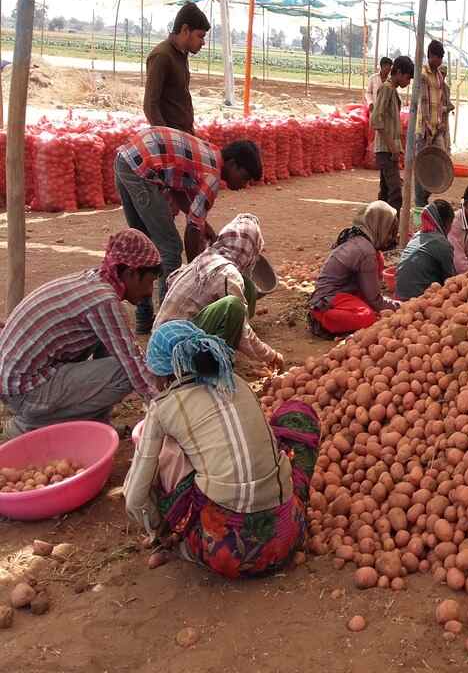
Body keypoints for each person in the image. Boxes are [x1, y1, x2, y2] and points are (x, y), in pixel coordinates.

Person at [124, 321, 318, 579]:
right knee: (298, 414)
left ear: (165, 371)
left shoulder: (162, 408)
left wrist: (155, 528)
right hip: (289, 535)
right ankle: (290, 504)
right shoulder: (235, 381)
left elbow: (135, 499)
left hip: (227, 554)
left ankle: (178, 542)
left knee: (166, 456)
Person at [0, 230, 161, 437]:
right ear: (131, 273)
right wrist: (165, 409)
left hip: (17, 378)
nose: (150, 291)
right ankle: (25, 428)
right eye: (149, 281)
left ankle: (97, 426)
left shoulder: (95, 279)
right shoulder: (102, 300)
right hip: (25, 390)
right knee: (124, 372)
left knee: (110, 348)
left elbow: (121, 347)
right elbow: (134, 367)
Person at [115, 127, 262, 334]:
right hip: (140, 168)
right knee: (171, 247)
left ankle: (144, 317)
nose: (243, 185)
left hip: (128, 159)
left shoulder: (210, 156)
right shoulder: (212, 175)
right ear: (232, 164)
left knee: (143, 244)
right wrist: (198, 271)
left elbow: (180, 193)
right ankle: (169, 321)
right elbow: (192, 229)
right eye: (244, 177)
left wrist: (204, 226)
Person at [153, 214, 283, 370]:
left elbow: (171, 279)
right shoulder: (228, 273)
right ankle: (206, 367)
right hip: (175, 353)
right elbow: (242, 330)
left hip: (159, 343)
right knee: (234, 306)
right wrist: (271, 355)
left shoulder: (205, 257)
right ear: (250, 250)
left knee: (246, 285)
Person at [308, 201, 398, 337]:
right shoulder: (366, 251)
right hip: (328, 302)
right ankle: (323, 321)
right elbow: (374, 299)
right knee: (368, 318)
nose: (392, 236)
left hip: (342, 294)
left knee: (378, 258)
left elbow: (372, 296)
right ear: (380, 226)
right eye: (390, 230)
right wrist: (401, 307)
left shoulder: (362, 240)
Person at [143, 2, 209, 135]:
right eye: (200, 36)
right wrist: (167, 139)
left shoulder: (181, 54)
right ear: (185, 30)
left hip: (182, 135)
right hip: (172, 140)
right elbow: (150, 105)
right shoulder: (162, 56)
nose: (203, 42)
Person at [372, 55, 414, 212]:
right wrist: (392, 147)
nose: (408, 82)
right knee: (396, 193)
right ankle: (391, 228)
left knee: (385, 193)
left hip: (389, 150)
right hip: (386, 150)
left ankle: (379, 226)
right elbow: (376, 120)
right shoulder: (387, 89)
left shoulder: (392, 91)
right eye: (408, 78)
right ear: (399, 72)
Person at [414, 41, 454, 207]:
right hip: (424, 130)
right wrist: (429, 130)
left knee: (441, 165)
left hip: (437, 129)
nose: (438, 61)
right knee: (422, 166)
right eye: (436, 57)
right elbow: (423, 105)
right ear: (430, 56)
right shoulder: (423, 75)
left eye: (441, 58)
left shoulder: (439, 75)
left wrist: (442, 124)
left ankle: (424, 196)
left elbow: (441, 102)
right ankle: (419, 202)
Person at [395, 201, 457, 300]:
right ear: (445, 223)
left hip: (399, 293)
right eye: (450, 224)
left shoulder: (417, 235)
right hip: (418, 300)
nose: (450, 228)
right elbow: (450, 280)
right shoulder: (441, 243)